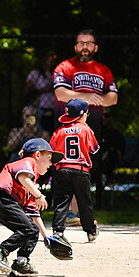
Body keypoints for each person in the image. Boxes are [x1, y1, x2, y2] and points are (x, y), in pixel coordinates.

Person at [52, 28, 118, 222]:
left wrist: (96, 100)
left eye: (89, 43)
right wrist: (89, 97)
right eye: (81, 43)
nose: (85, 47)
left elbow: (113, 98)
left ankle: (75, 213)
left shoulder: (103, 70)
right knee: (70, 164)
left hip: (92, 126)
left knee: (86, 166)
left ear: (95, 47)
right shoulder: (64, 67)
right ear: (75, 47)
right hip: (67, 126)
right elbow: (61, 94)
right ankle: (72, 213)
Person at [0, 138, 64, 276]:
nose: (51, 164)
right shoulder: (28, 162)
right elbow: (22, 177)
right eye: (49, 158)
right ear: (37, 155)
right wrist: (39, 195)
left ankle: (21, 261)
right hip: (2, 199)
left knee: (32, 229)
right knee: (27, 228)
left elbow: (34, 214)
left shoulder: (30, 185)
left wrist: (47, 238)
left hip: (2, 203)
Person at [50, 98, 100, 242]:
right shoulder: (86, 129)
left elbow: (51, 151)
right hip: (81, 170)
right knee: (84, 202)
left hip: (62, 170)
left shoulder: (59, 131)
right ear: (83, 115)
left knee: (61, 201)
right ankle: (90, 231)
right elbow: (95, 150)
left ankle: (58, 231)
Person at [24, 50, 58, 133]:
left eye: (54, 57)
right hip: (40, 107)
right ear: (44, 59)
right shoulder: (36, 74)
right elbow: (27, 90)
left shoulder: (56, 74)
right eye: (50, 57)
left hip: (54, 108)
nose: (52, 59)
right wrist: (45, 89)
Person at [101, 107, 126, 184]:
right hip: (92, 162)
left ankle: (105, 178)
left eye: (106, 115)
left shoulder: (115, 134)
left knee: (112, 154)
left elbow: (117, 154)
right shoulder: (89, 132)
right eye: (101, 115)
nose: (103, 117)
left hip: (107, 164)